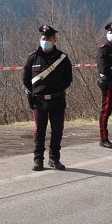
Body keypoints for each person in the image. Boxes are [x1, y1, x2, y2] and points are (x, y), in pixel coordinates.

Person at [22, 24, 73, 171]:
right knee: (39, 132)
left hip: (57, 100)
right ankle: (38, 160)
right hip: (39, 102)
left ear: (54, 39)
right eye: (43, 38)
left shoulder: (62, 58)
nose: (45, 40)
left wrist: (56, 88)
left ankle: (54, 159)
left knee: (57, 131)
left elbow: (68, 79)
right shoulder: (33, 58)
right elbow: (26, 79)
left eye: (48, 38)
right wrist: (36, 92)